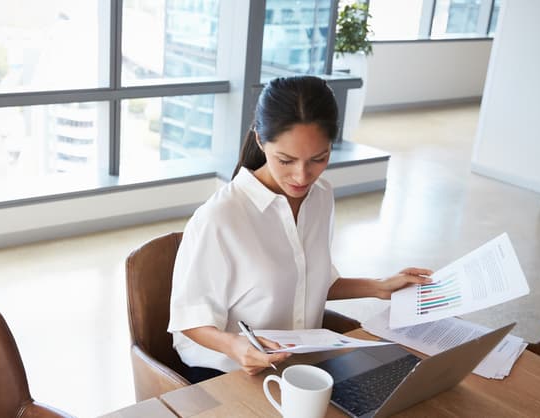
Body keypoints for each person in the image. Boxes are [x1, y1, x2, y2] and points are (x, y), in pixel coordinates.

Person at [167, 75, 433, 383]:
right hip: (228, 372)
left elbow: (307, 283)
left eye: (319, 159)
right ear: (259, 140)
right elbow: (189, 320)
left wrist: (379, 286)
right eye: (285, 160)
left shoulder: (321, 196)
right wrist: (236, 346)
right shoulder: (220, 217)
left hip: (300, 364)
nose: (302, 176)